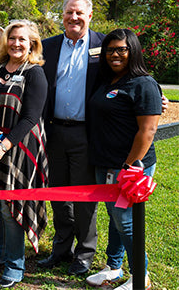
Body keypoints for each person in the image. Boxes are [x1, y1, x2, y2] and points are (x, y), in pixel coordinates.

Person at [0, 20, 49, 288]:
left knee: (10, 208)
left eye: (22, 40)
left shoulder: (35, 73)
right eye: (13, 38)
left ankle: (15, 266)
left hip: (20, 146)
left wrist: (4, 146)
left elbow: (31, 117)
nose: (16, 44)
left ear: (32, 44)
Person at [85, 29, 161, 290]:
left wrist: (128, 168)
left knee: (126, 221)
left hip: (131, 167)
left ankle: (141, 277)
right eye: (110, 50)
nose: (114, 55)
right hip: (105, 162)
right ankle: (114, 267)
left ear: (134, 51)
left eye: (121, 49)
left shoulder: (144, 84)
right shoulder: (109, 81)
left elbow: (147, 131)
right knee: (114, 218)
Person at [38, 0, 106, 275]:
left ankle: (85, 254)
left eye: (79, 13)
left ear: (89, 16)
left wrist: (155, 97)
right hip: (54, 132)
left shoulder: (104, 45)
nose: (74, 17)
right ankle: (61, 249)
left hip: (86, 134)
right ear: (62, 15)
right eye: (69, 12)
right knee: (57, 194)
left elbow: (131, 75)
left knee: (83, 197)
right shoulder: (48, 46)